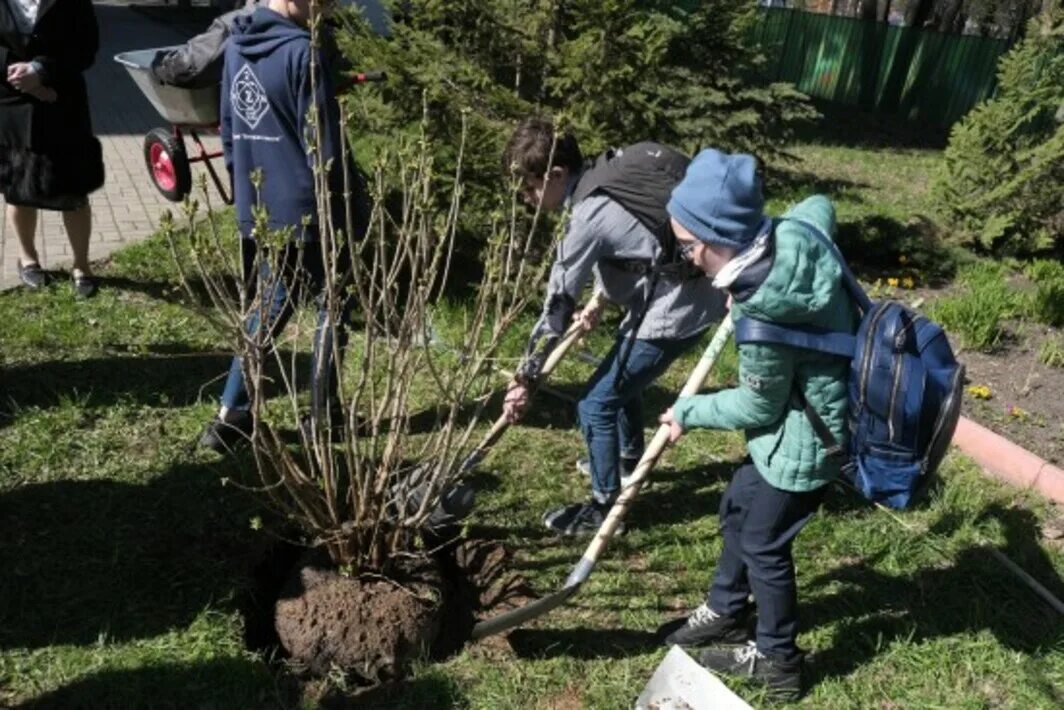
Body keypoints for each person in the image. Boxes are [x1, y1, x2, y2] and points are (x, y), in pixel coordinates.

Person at [657, 149, 858, 700]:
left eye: (688, 246)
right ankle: (725, 608)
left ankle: (778, 661)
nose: (687, 257)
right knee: (738, 508)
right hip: (790, 430)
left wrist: (688, 413)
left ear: (718, 238)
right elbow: (821, 204)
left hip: (805, 443)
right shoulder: (793, 230)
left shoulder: (765, 314)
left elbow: (756, 408)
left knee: (765, 545)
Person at [501, 118, 726, 536]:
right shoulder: (609, 171)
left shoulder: (585, 216)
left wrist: (525, 377)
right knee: (621, 377)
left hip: (676, 310)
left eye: (531, 188)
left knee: (595, 403)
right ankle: (625, 461)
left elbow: (555, 306)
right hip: (689, 292)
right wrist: (600, 298)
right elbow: (636, 237)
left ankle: (604, 508)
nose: (528, 199)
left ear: (555, 175)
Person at [198, 0, 369, 452]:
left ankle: (231, 415)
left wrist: (247, 194)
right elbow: (324, 148)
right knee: (332, 304)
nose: (328, 11)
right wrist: (346, 207)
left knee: (270, 304)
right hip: (307, 207)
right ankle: (320, 414)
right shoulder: (303, 53)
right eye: (325, 2)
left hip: (261, 203)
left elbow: (232, 128)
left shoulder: (237, 44)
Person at [0, 0, 104, 297]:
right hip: (11, 104)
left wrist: (41, 70)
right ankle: (28, 259)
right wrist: (18, 75)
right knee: (18, 189)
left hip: (62, 101)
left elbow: (86, 46)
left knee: (73, 189)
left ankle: (82, 265)